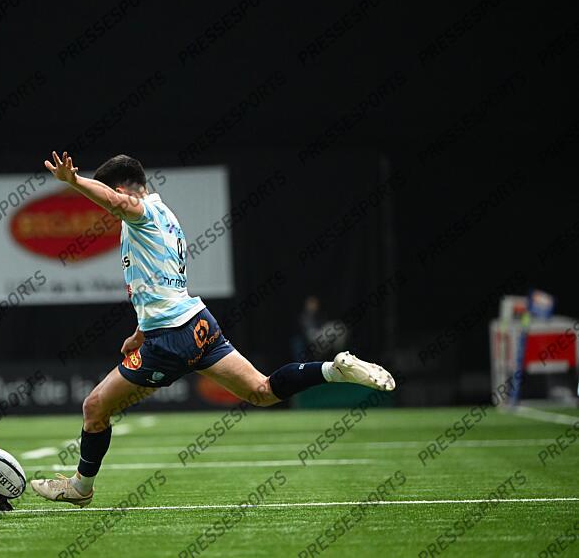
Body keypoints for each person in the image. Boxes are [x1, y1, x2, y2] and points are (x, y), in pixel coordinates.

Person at [30, 152, 395, 507]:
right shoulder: (165, 219)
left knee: (94, 407)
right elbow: (162, 286)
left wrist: (75, 181)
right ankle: (334, 369)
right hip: (197, 323)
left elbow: (121, 205)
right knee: (262, 391)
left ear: (124, 190)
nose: (107, 208)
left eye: (108, 196)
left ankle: (81, 487)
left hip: (171, 338)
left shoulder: (142, 212)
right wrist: (140, 334)